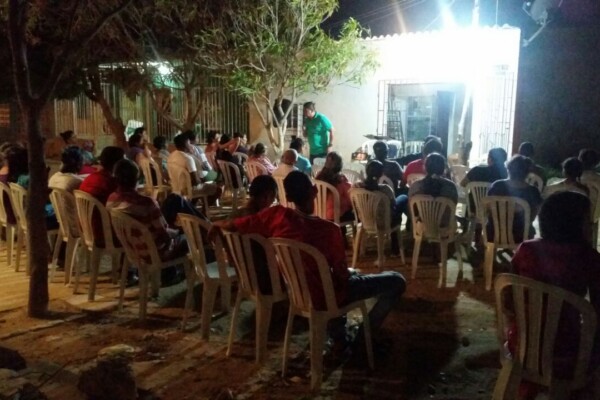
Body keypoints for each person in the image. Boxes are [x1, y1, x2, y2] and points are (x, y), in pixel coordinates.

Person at [212, 171, 406, 352]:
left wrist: (217, 224)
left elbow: (234, 224)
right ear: (314, 191)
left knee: (329, 281)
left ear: (288, 198)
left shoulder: (275, 215)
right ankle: (363, 338)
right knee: (396, 280)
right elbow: (341, 277)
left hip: (298, 292)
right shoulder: (330, 230)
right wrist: (349, 274)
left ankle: (339, 338)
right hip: (325, 296)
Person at [508, 191, 600, 398]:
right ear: (577, 224)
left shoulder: (526, 250)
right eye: (587, 220)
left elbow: (510, 298)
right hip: (566, 353)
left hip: (523, 344)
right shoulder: (589, 258)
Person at [107, 159, 187, 285]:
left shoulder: (111, 199)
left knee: (174, 202)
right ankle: (170, 275)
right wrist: (179, 231)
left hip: (132, 249)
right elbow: (164, 234)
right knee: (188, 238)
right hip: (154, 252)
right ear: (136, 178)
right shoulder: (146, 203)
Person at [487, 155, 543, 242]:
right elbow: (533, 216)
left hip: (494, 233)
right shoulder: (533, 191)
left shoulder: (497, 186)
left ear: (508, 169)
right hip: (521, 235)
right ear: (527, 173)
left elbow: (487, 208)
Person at [354, 160, 405, 256]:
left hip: (365, 220)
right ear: (381, 174)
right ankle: (396, 247)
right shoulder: (385, 189)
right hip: (384, 222)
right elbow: (393, 205)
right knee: (403, 198)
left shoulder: (357, 187)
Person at [409, 153, 458, 228]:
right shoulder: (451, 186)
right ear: (443, 169)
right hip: (444, 227)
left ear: (425, 168)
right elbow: (454, 206)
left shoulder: (415, 186)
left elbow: (412, 210)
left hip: (422, 226)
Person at [315, 151, 353, 223]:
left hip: (318, 212)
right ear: (339, 165)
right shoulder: (340, 179)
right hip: (333, 215)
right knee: (356, 213)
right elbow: (350, 197)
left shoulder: (319, 176)